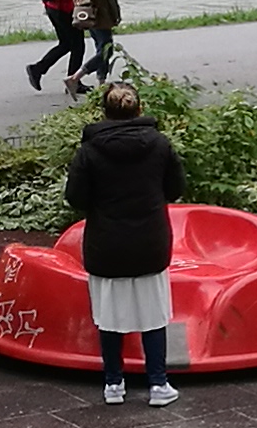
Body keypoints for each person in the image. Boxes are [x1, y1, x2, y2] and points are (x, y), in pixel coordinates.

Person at [64, 80, 183, 404]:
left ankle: (113, 384)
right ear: (139, 108)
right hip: (150, 242)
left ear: (104, 111)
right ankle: (158, 384)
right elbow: (175, 188)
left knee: (109, 315)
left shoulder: (89, 150)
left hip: (106, 243)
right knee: (154, 314)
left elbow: (75, 197)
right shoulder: (159, 144)